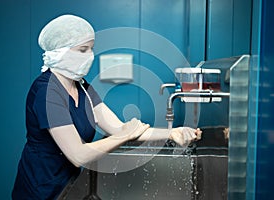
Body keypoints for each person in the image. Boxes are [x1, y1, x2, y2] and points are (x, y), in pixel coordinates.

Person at [12, 14, 202, 199]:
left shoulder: (83, 87)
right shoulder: (47, 91)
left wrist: (172, 133)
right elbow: (78, 155)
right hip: (41, 190)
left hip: (68, 186)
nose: (91, 56)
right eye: (83, 50)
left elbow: (118, 127)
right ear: (61, 52)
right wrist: (124, 135)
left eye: (92, 49)